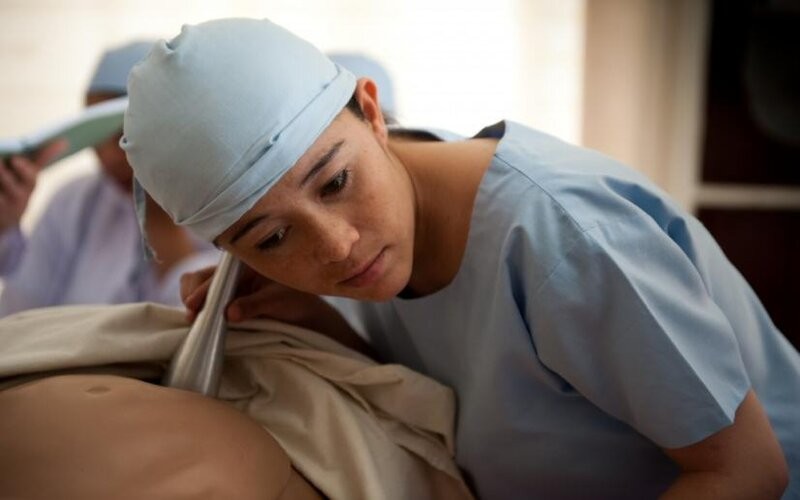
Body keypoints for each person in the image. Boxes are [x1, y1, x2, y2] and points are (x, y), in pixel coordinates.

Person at [121, 19, 800, 499]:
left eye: (336, 182)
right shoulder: (382, 237)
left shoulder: (565, 241)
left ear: (372, 112)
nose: (338, 246)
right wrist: (329, 335)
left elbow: (746, 472)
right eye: (271, 239)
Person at [0, 41, 219, 317]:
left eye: (122, 136)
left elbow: (201, 319)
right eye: (95, 136)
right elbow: (19, 311)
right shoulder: (72, 200)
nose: (108, 156)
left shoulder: (218, 205)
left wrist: (160, 219)